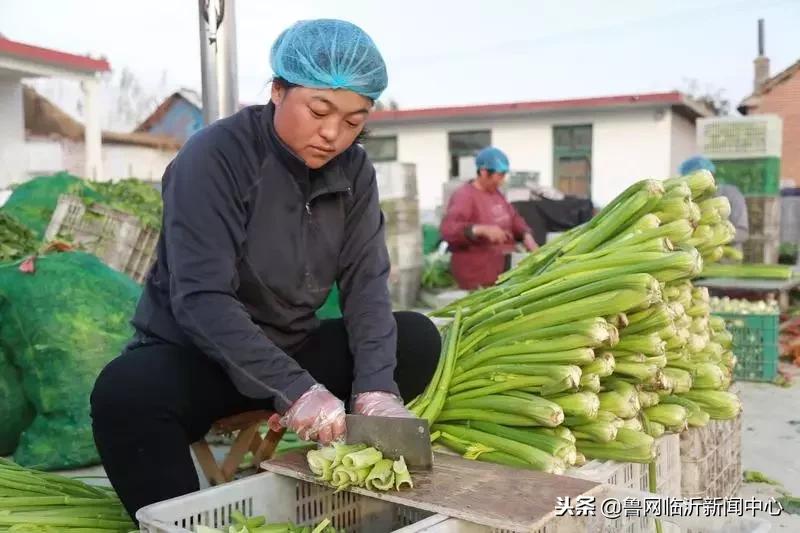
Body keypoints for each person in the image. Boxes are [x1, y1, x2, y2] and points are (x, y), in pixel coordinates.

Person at [89, 19, 441, 521]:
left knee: (415, 336)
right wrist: (298, 391)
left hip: (292, 346)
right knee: (127, 393)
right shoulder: (214, 157)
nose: (332, 134)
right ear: (277, 90)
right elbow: (202, 299)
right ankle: (184, 521)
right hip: (202, 354)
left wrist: (377, 390)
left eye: (354, 120)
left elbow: (365, 285)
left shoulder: (355, 171)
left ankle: (342, 497)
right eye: (319, 111)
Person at [440, 147, 538, 290]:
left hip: (500, 272)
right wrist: (480, 230)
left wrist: (526, 235)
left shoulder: (496, 194)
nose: (502, 180)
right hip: (477, 276)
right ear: (484, 172)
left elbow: (513, 217)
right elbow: (448, 230)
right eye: (500, 175)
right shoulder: (465, 196)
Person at [679, 156, 749, 247]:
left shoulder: (731, 195)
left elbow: (743, 233)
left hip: (727, 259)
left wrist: (715, 236)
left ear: (712, 175)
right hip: (696, 257)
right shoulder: (687, 200)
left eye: (702, 179)